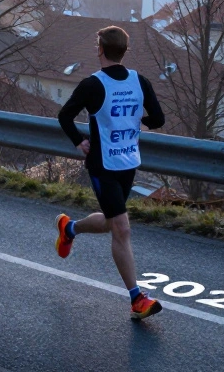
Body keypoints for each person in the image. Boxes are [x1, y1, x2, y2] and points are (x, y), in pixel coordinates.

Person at [54, 25, 166, 320]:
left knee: (110, 223)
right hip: (102, 166)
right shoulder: (112, 83)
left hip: (127, 164)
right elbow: (157, 119)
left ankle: (69, 229)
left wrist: (81, 138)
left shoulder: (111, 82)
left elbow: (65, 116)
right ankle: (137, 298)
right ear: (123, 50)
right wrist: (82, 141)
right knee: (122, 228)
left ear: (100, 49)